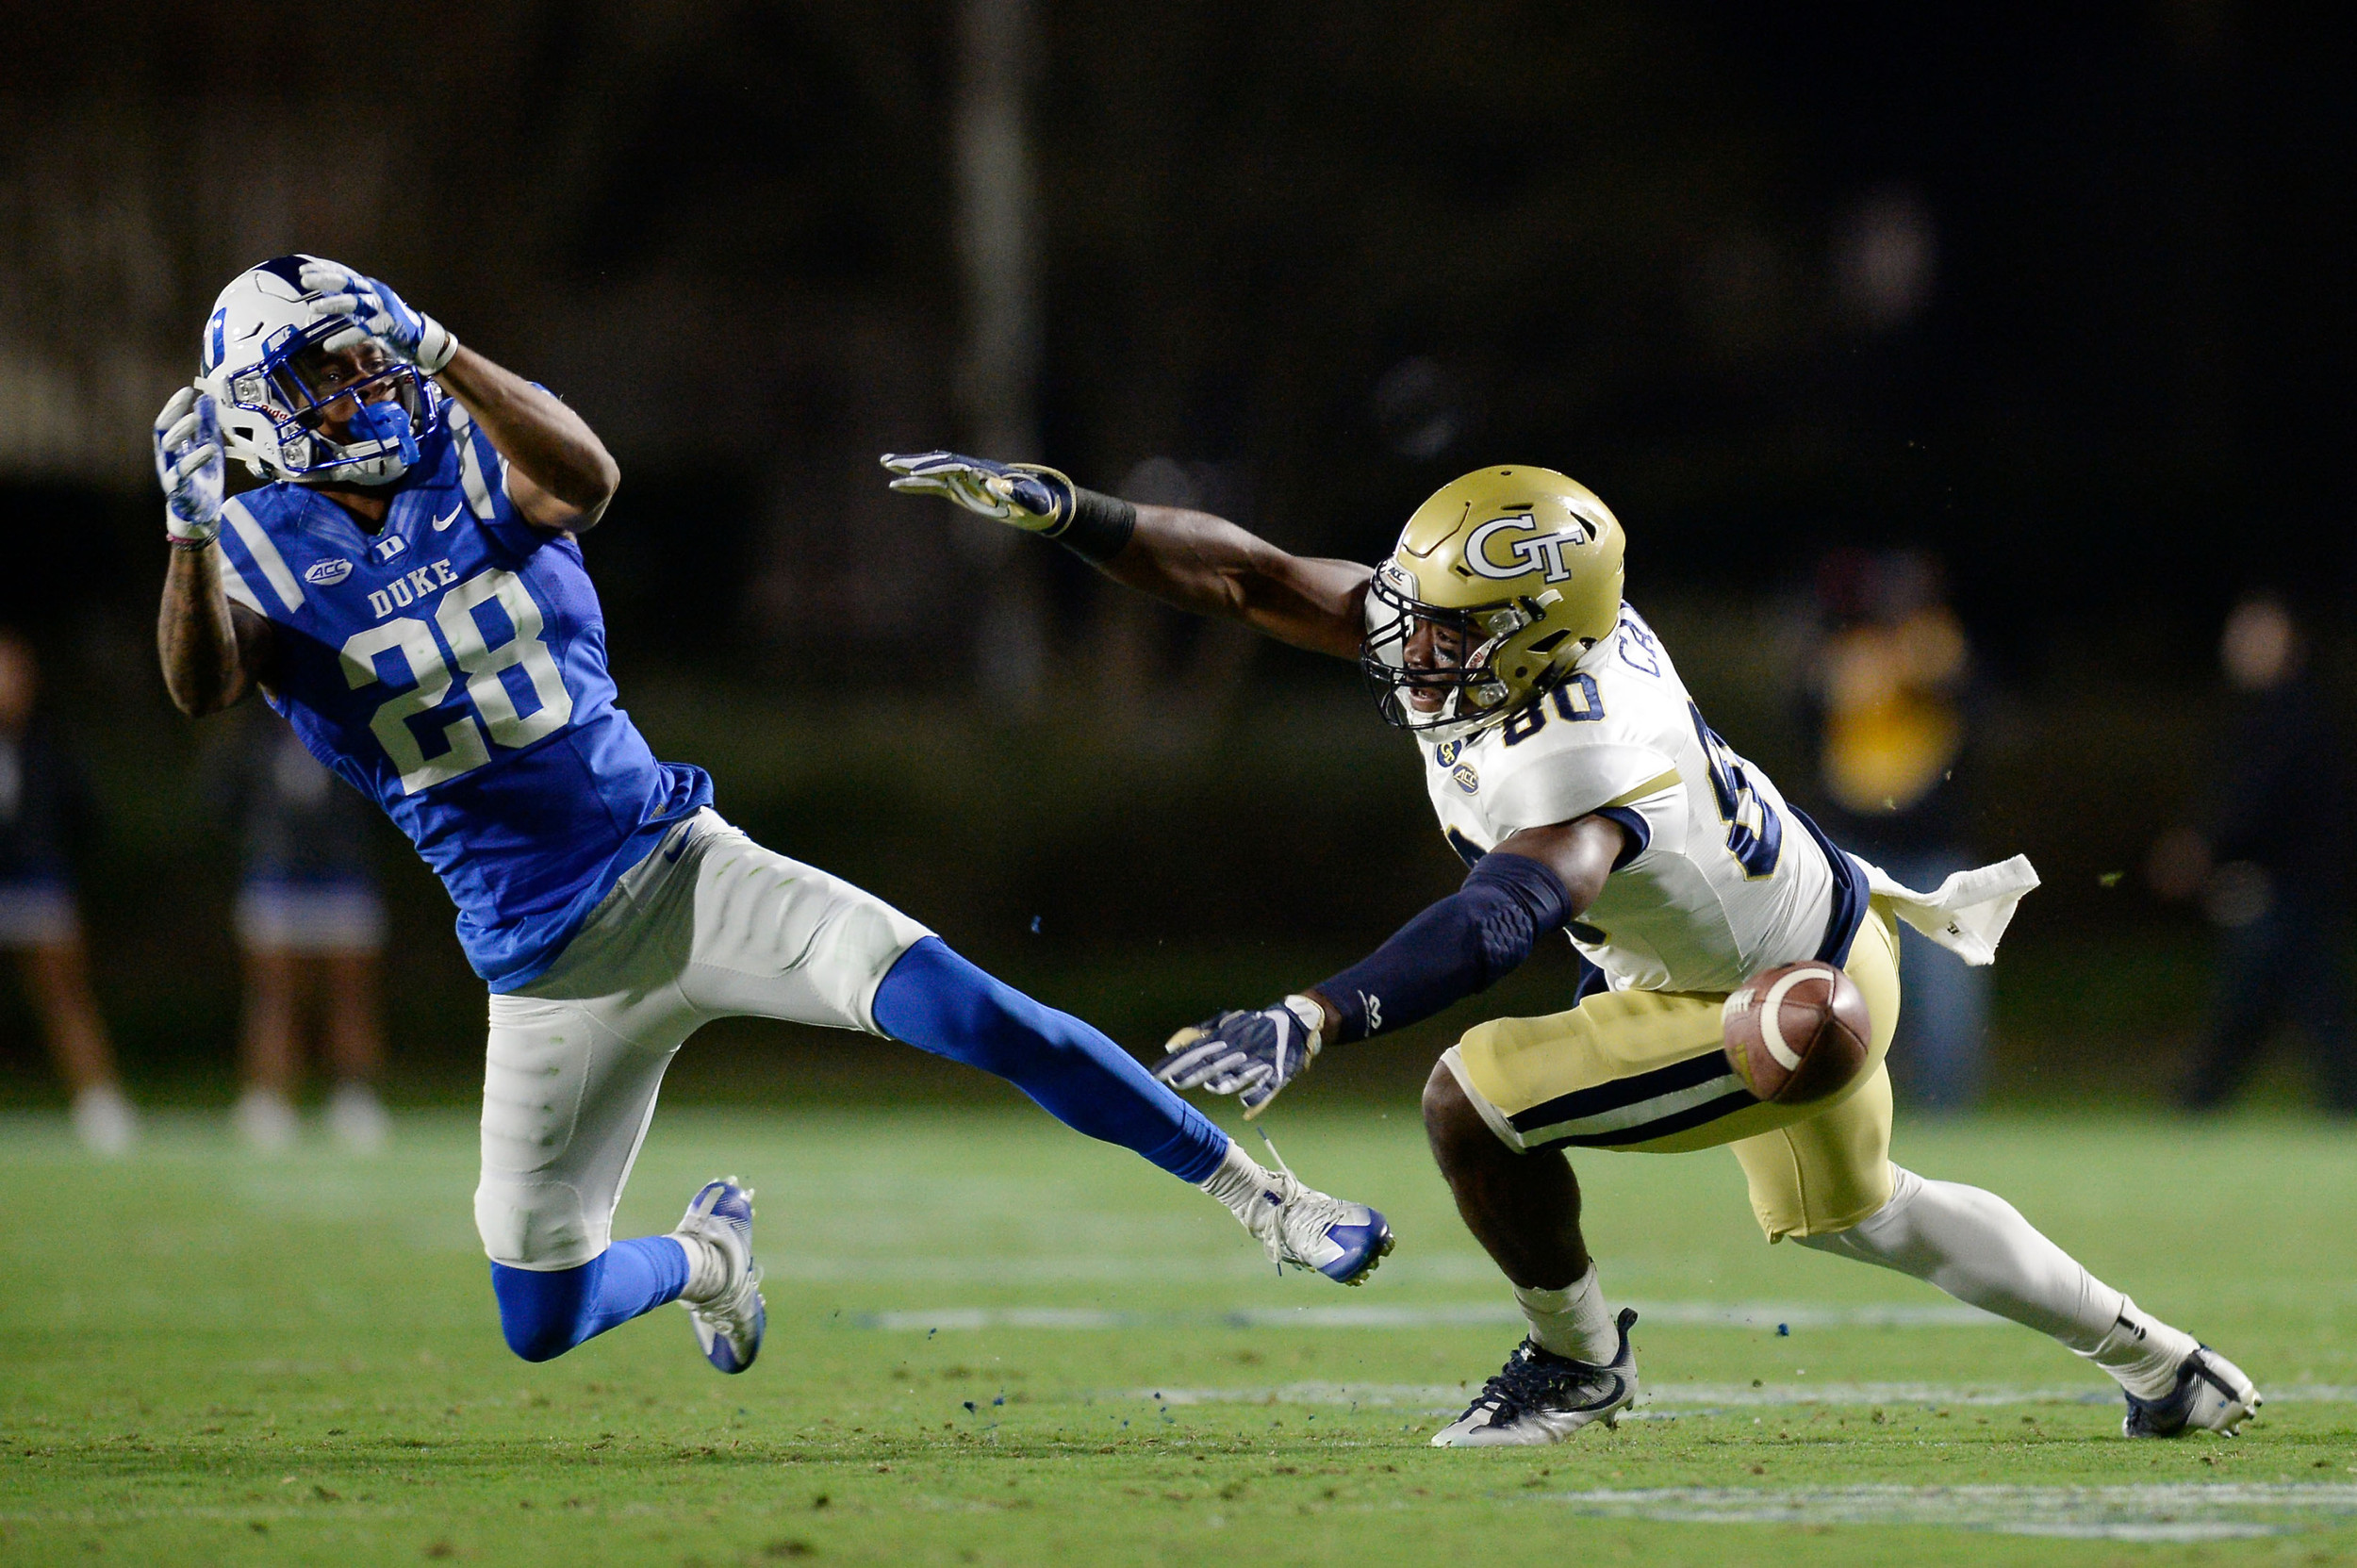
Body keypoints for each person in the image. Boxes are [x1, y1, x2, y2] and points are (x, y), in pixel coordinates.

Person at [151, 257, 1388, 1376]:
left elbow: (587, 476)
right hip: (540, 961)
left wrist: (435, 342)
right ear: (261, 404)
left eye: (371, 357)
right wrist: (187, 536)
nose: (368, 387)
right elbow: (203, 683)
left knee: (979, 1013)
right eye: (333, 369)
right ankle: (708, 1259)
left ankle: (1266, 1200)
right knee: (541, 1313)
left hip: (684, 872)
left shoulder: (471, 447)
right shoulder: (251, 547)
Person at [885, 452, 2260, 1445]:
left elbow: (1503, 917)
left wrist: (1320, 1011)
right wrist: (1079, 513)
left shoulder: (1586, 748)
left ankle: (1580, 1362)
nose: (1410, 641)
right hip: (1828, 933)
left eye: (1448, 627)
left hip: (1761, 1000)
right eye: (1419, 610)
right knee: (1866, 1210)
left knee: (1470, 1094)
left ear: (1532, 634)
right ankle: (2167, 1363)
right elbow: (1245, 576)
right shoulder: (1514, 637)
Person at [2150, 593, 2357, 1113]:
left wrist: (2204, 848)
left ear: (2289, 644)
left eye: (2255, 634)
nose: (2238, 646)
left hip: (2289, 885)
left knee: (2270, 999)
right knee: (2293, 1000)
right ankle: (2202, 1101)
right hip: (2287, 885)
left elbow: (2259, 802)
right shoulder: (2265, 712)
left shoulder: (2292, 716)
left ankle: (2198, 1103)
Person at [1800, 550, 1990, 1111]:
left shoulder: (1944, 645)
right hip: (1854, 841)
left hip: (1933, 843)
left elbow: (1977, 717)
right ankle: (1838, 1097)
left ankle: (1947, 1110)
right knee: (1841, 972)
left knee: (1945, 986)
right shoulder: (1844, 652)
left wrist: (1940, 674)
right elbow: (1810, 719)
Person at [214, 706, 394, 1151]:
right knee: (273, 994)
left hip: (345, 875)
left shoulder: (354, 726)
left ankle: (355, 1098)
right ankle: (269, 1098)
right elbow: (221, 800)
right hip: (274, 877)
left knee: (350, 993)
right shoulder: (248, 734)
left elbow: (385, 799)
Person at [0, 631, 139, 1154]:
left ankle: (99, 1103)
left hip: (39, 883)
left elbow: (84, 817)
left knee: (63, 995)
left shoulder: (49, 747)